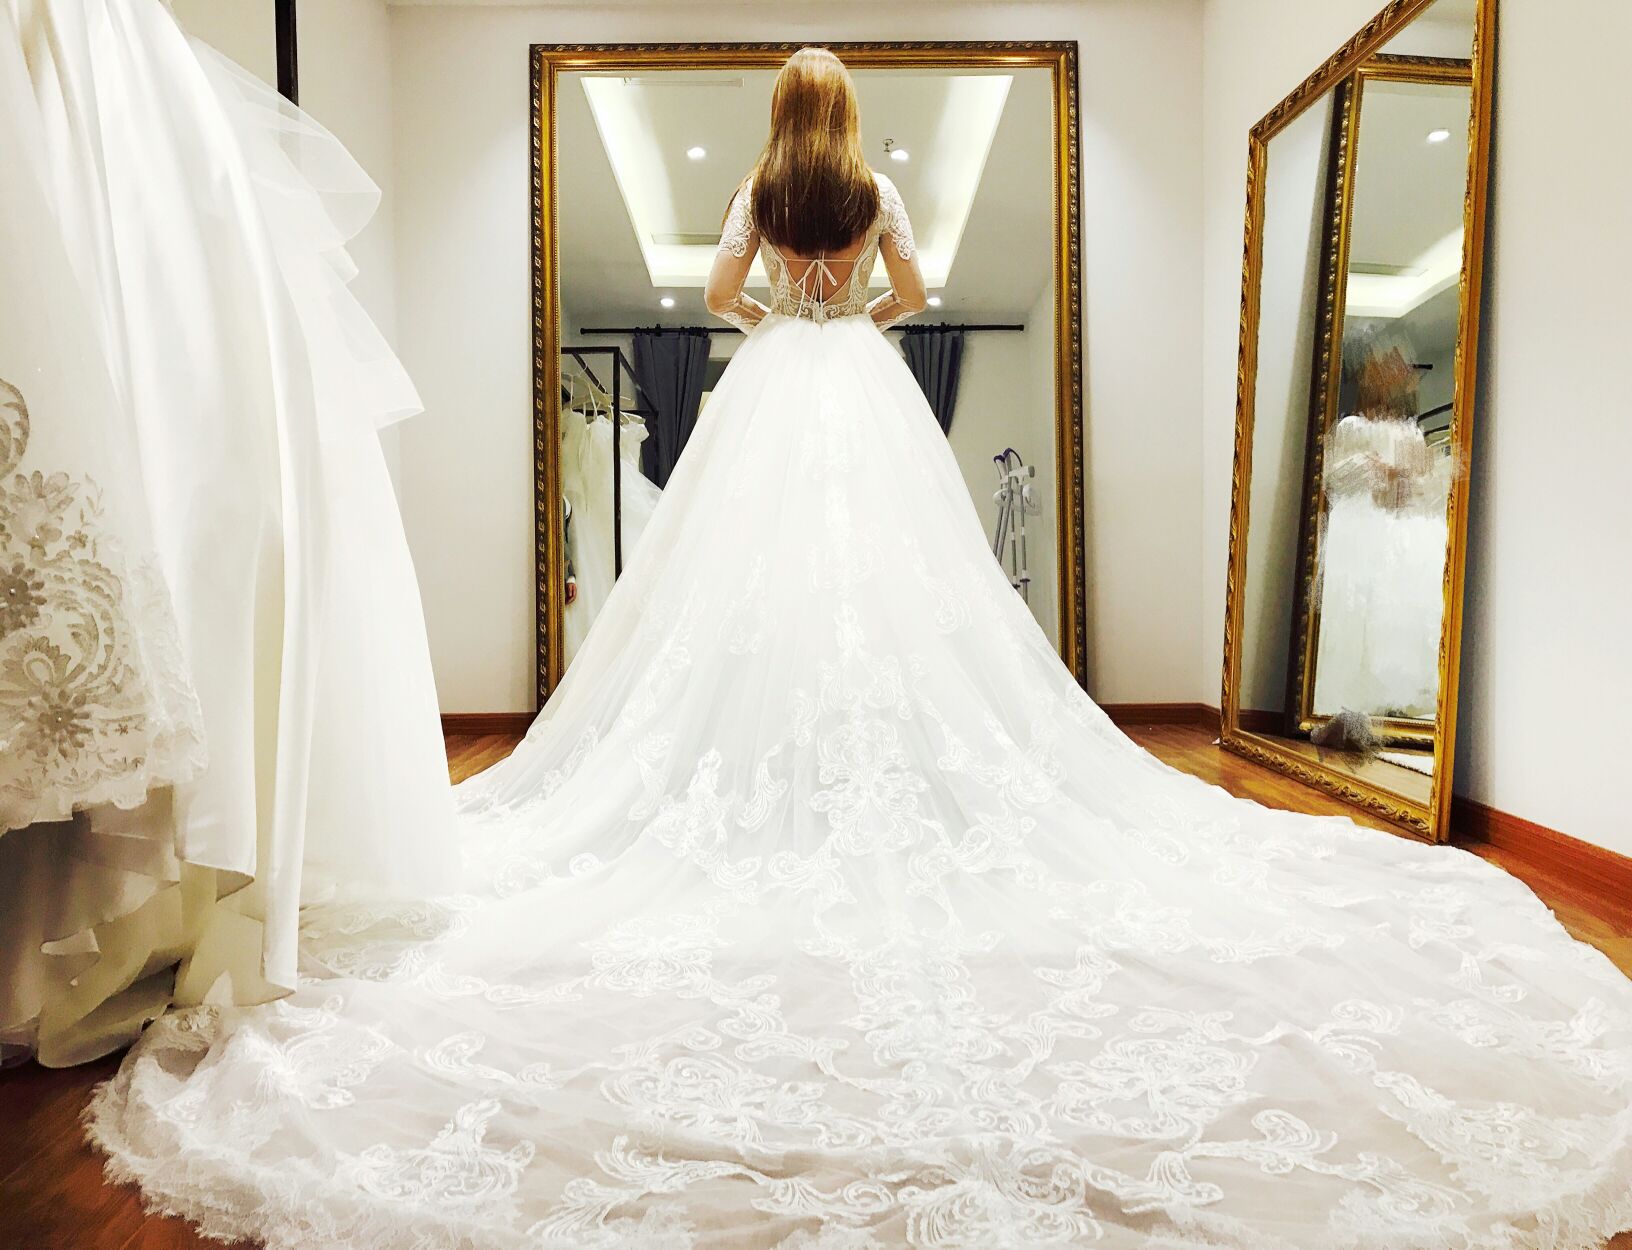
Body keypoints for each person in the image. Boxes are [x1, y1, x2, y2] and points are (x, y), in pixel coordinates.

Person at [90, 47, 1632, 1250]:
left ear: (784, 116)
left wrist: (779, 307)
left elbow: (715, 298)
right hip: (864, 400)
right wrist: (859, 316)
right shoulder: (869, 189)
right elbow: (913, 294)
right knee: (904, 601)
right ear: (848, 118)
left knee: (741, 605)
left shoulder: (764, 193)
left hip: (773, 396)